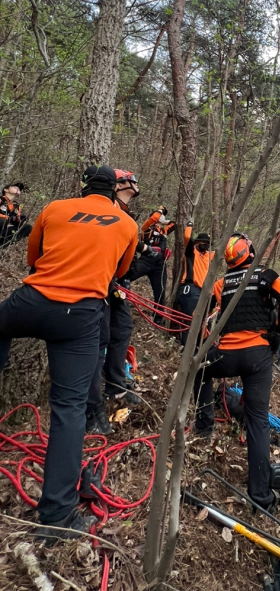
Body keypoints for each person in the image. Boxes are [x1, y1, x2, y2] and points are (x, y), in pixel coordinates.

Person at [0, 166, 138, 540]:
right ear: (113, 191)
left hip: (31, 301)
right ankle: (57, 516)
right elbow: (120, 270)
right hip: (79, 317)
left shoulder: (55, 208)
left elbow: (33, 257)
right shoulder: (128, 225)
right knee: (69, 409)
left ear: (82, 188)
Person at [192, 232, 280, 509]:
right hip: (258, 356)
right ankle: (260, 496)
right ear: (250, 251)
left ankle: (204, 425)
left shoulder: (221, 284)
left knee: (199, 371)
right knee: (258, 420)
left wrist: (205, 343)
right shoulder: (266, 276)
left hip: (226, 355)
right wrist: (278, 331)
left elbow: (207, 313)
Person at [86, 169, 153, 435]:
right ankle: (93, 405)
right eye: (130, 181)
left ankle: (115, 384)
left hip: (116, 280)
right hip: (100, 281)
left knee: (122, 328)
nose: (135, 184)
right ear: (117, 185)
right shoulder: (108, 208)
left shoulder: (125, 212)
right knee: (99, 338)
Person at [175, 221, 216, 334]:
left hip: (202, 292)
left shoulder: (209, 255)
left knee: (205, 322)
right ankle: (185, 344)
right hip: (190, 289)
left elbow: (223, 252)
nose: (205, 245)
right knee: (190, 322)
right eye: (203, 242)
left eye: (207, 243)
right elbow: (187, 237)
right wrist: (189, 225)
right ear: (197, 242)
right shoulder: (191, 252)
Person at [130, 206, 175, 307]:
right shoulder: (146, 228)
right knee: (128, 277)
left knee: (160, 294)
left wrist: (163, 222)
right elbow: (154, 217)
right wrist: (161, 210)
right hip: (146, 260)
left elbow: (174, 224)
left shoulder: (163, 231)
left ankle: (158, 315)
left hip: (160, 264)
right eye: (159, 217)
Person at [0, 181, 32, 247]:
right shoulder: (1, 199)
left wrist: (18, 220)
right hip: (1, 223)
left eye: (19, 189)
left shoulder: (17, 206)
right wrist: (6, 217)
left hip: (4, 231)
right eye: (14, 187)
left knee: (28, 227)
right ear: (6, 190)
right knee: (3, 220)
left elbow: (15, 221)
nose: (18, 188)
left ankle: (4, 243)